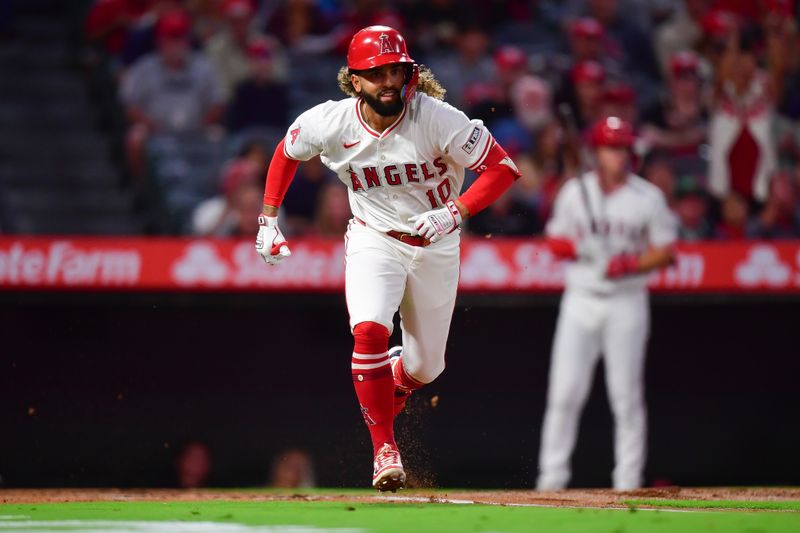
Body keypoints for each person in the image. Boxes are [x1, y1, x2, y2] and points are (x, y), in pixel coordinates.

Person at [254, 25, 520, 491]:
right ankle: (384, 449)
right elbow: (286, 150)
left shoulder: (437, 118)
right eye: (376, 73)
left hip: (436, 244)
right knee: (369, 327)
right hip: (374, 238)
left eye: (395, 70)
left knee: (425, 368)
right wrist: (268, 219)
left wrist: (454, 213)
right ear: (354, 80)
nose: (388, 81)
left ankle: (394, 377)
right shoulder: (332, 122)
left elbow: (502, 168)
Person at [537, 116, 677, 491]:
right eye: (610, 148)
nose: (617, 155)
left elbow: (665, 252)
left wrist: (629, 263)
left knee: (625, 395)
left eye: (621, 148)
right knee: (565, 392)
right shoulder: (575, 192)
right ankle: (551, 479)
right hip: (581, 298)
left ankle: (628, 481)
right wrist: (581, 248)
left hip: (626, 300)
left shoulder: (646, 196)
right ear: (596, 151)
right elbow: (553, 241)